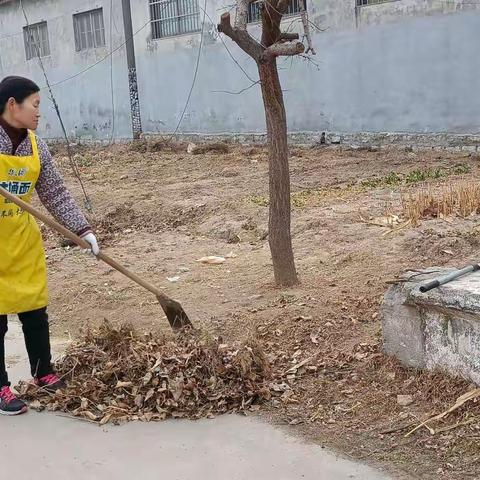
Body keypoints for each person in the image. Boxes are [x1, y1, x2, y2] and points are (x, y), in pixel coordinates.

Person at [0, 76, 99, 415]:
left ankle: (43, 372)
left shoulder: (35, 146)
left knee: (33, 310)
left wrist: (82, 230)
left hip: (21, 240)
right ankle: (0, 387)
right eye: (35, 105)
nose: (39, 112)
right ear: (13, 105)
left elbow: (55, 192)